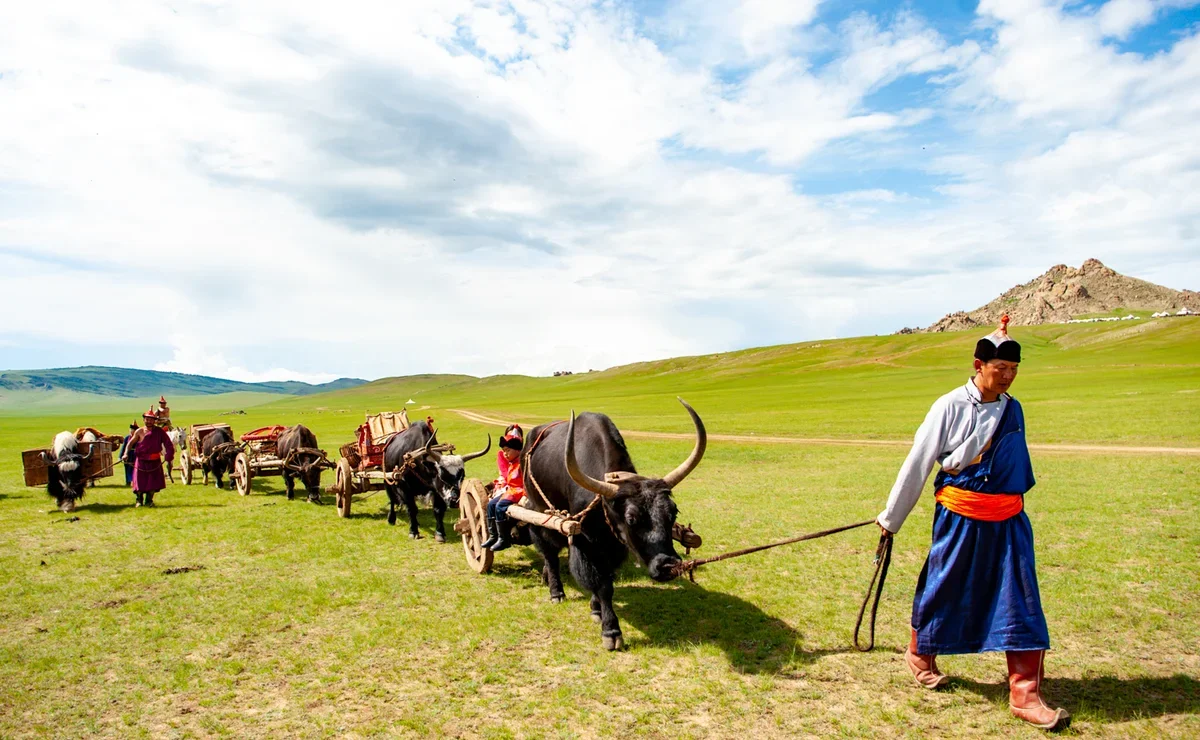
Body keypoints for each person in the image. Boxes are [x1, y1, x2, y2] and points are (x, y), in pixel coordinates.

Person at [876, 316, 1069, 731]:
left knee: (1021, 598)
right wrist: (891, 520)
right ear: (979, 364)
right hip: (960, 516)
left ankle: (1025, 693)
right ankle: (919, 655)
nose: (1008, 377)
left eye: (1014, 370)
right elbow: (918, 463)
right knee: (942, 586)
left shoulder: (1013, 409)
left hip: (1009, 519)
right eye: (1000, 369)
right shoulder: (948, 406)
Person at [481, 425, 525, 552]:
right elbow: (506, 477)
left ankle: (503, 539)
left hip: (517, 491)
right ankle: (494, 536)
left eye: (508, 451)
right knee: (491, 505)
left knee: (500, 507)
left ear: (517, 449)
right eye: (504, 451)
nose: (505, 454)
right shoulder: (512, 462)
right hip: (510, 490)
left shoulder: (522, 462)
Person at [123, 406, 175, 507]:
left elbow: (168, 444)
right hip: (141, 461)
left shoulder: (159, 432)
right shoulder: (139, 431)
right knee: (139, 481)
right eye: (147, 419)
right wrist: (125, 453)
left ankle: (149, 501)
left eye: (151, 419)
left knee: (153, 482)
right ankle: (139, 500)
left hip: (155, 460)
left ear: (154, 421)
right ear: (144, 420)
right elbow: (130, 443)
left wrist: (169, 455)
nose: (149, 421)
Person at [117, 422, 139, 486]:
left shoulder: (138, 437)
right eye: (130, 429)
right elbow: (123, 447)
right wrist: (120, 457)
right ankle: (128, 482)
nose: (131, 431)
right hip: (128, 455)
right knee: (127, 468)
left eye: (133, 430)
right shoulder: (127, 438)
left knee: (136, 468)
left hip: (135, 455)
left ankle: (136, 482)